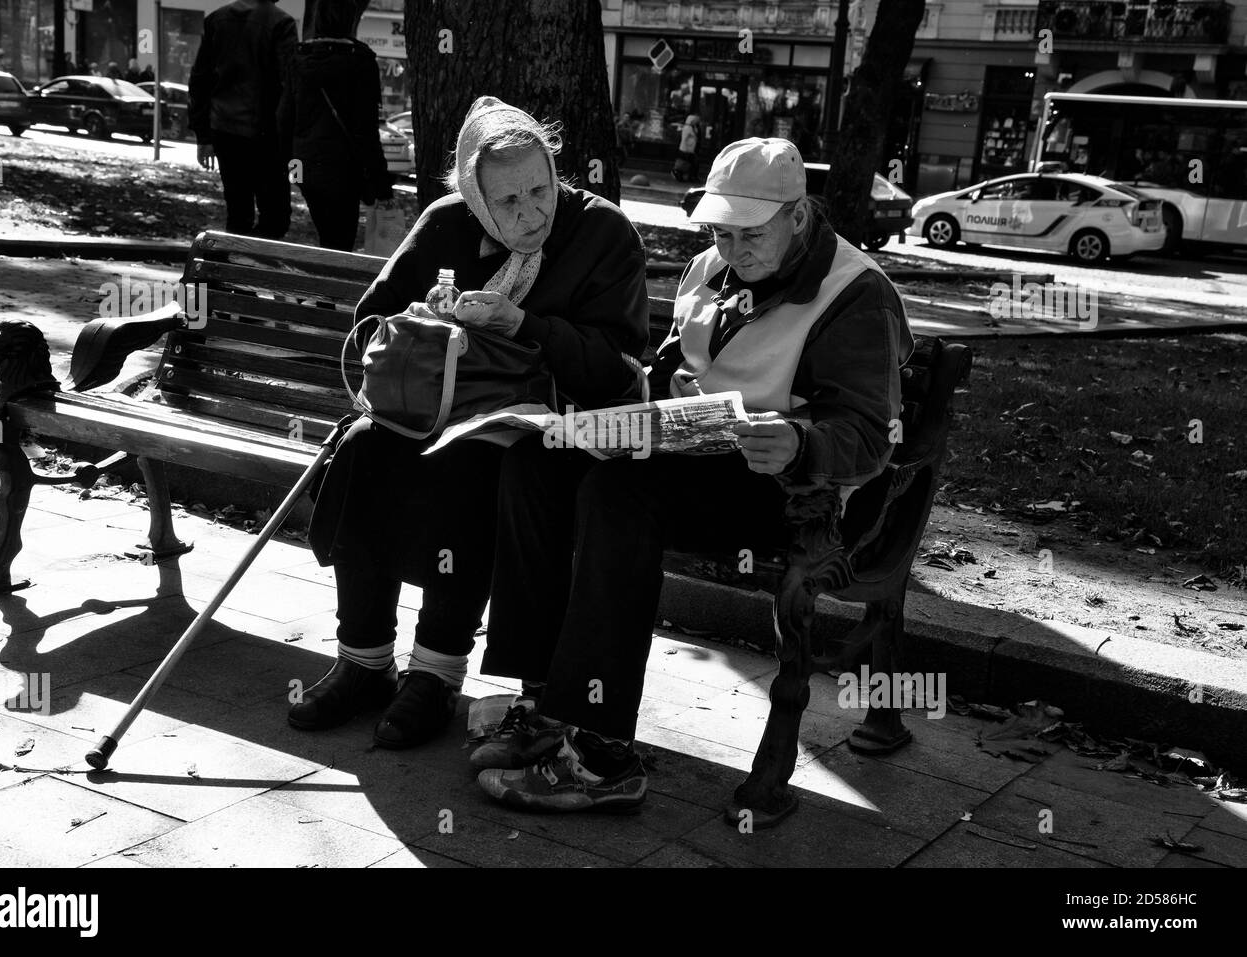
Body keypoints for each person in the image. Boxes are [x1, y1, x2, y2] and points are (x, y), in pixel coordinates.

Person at [472, 138, 915, 813]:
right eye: (718, 230)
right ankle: (546, 703)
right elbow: (675, 367)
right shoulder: (709, 267)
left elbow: (868, 434)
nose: (730, 248)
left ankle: (600, 755)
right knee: (536, 460)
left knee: (621, 493)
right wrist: (632, 408)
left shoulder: (856, 293)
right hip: (692, 457)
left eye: (748, 233)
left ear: (798, 216)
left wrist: (799, 441)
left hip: (792, 491)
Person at [291, 96, 650, 750]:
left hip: (551, 430)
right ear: (474, 197)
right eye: (506, 202)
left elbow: (618, 368)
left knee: (473, 458)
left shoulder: (602, 234)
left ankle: (435, 671)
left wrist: (523, 326)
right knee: (366, 445)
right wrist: (433, 322)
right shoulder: (446, 225)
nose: (530, 212)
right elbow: (373, 321)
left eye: (540, 190)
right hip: (431, 406)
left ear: (555, 172)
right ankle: (364, 658)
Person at [277, 0, 390, 250]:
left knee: (326, 229)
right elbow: (366, 129)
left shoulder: (299, 58)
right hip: (345, 167)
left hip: (306, 164)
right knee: (341, 239)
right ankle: (329, 281)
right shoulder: (361, 61)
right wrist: (381, 183)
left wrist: (286, 166)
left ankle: (322, 278)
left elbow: (285, 118)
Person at [188, 0, 297, 239]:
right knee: (275, 216)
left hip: (224, 128)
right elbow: (289, 83)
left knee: (238, 211)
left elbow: (200, 79)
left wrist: (203, 135)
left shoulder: (217, 19)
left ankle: (232, 265)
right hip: (266, 134)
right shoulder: (281, 23)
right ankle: (251, 265)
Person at [674, 114, 700, 182]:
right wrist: (686, 147)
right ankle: (679, 174)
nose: (697, 122)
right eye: (695, 120)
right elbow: (684, 139)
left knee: (688, 163)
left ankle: (688, 176)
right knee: (687, 163)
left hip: (690, 149)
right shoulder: (687, 128)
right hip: (686, 150)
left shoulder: (692, 128)